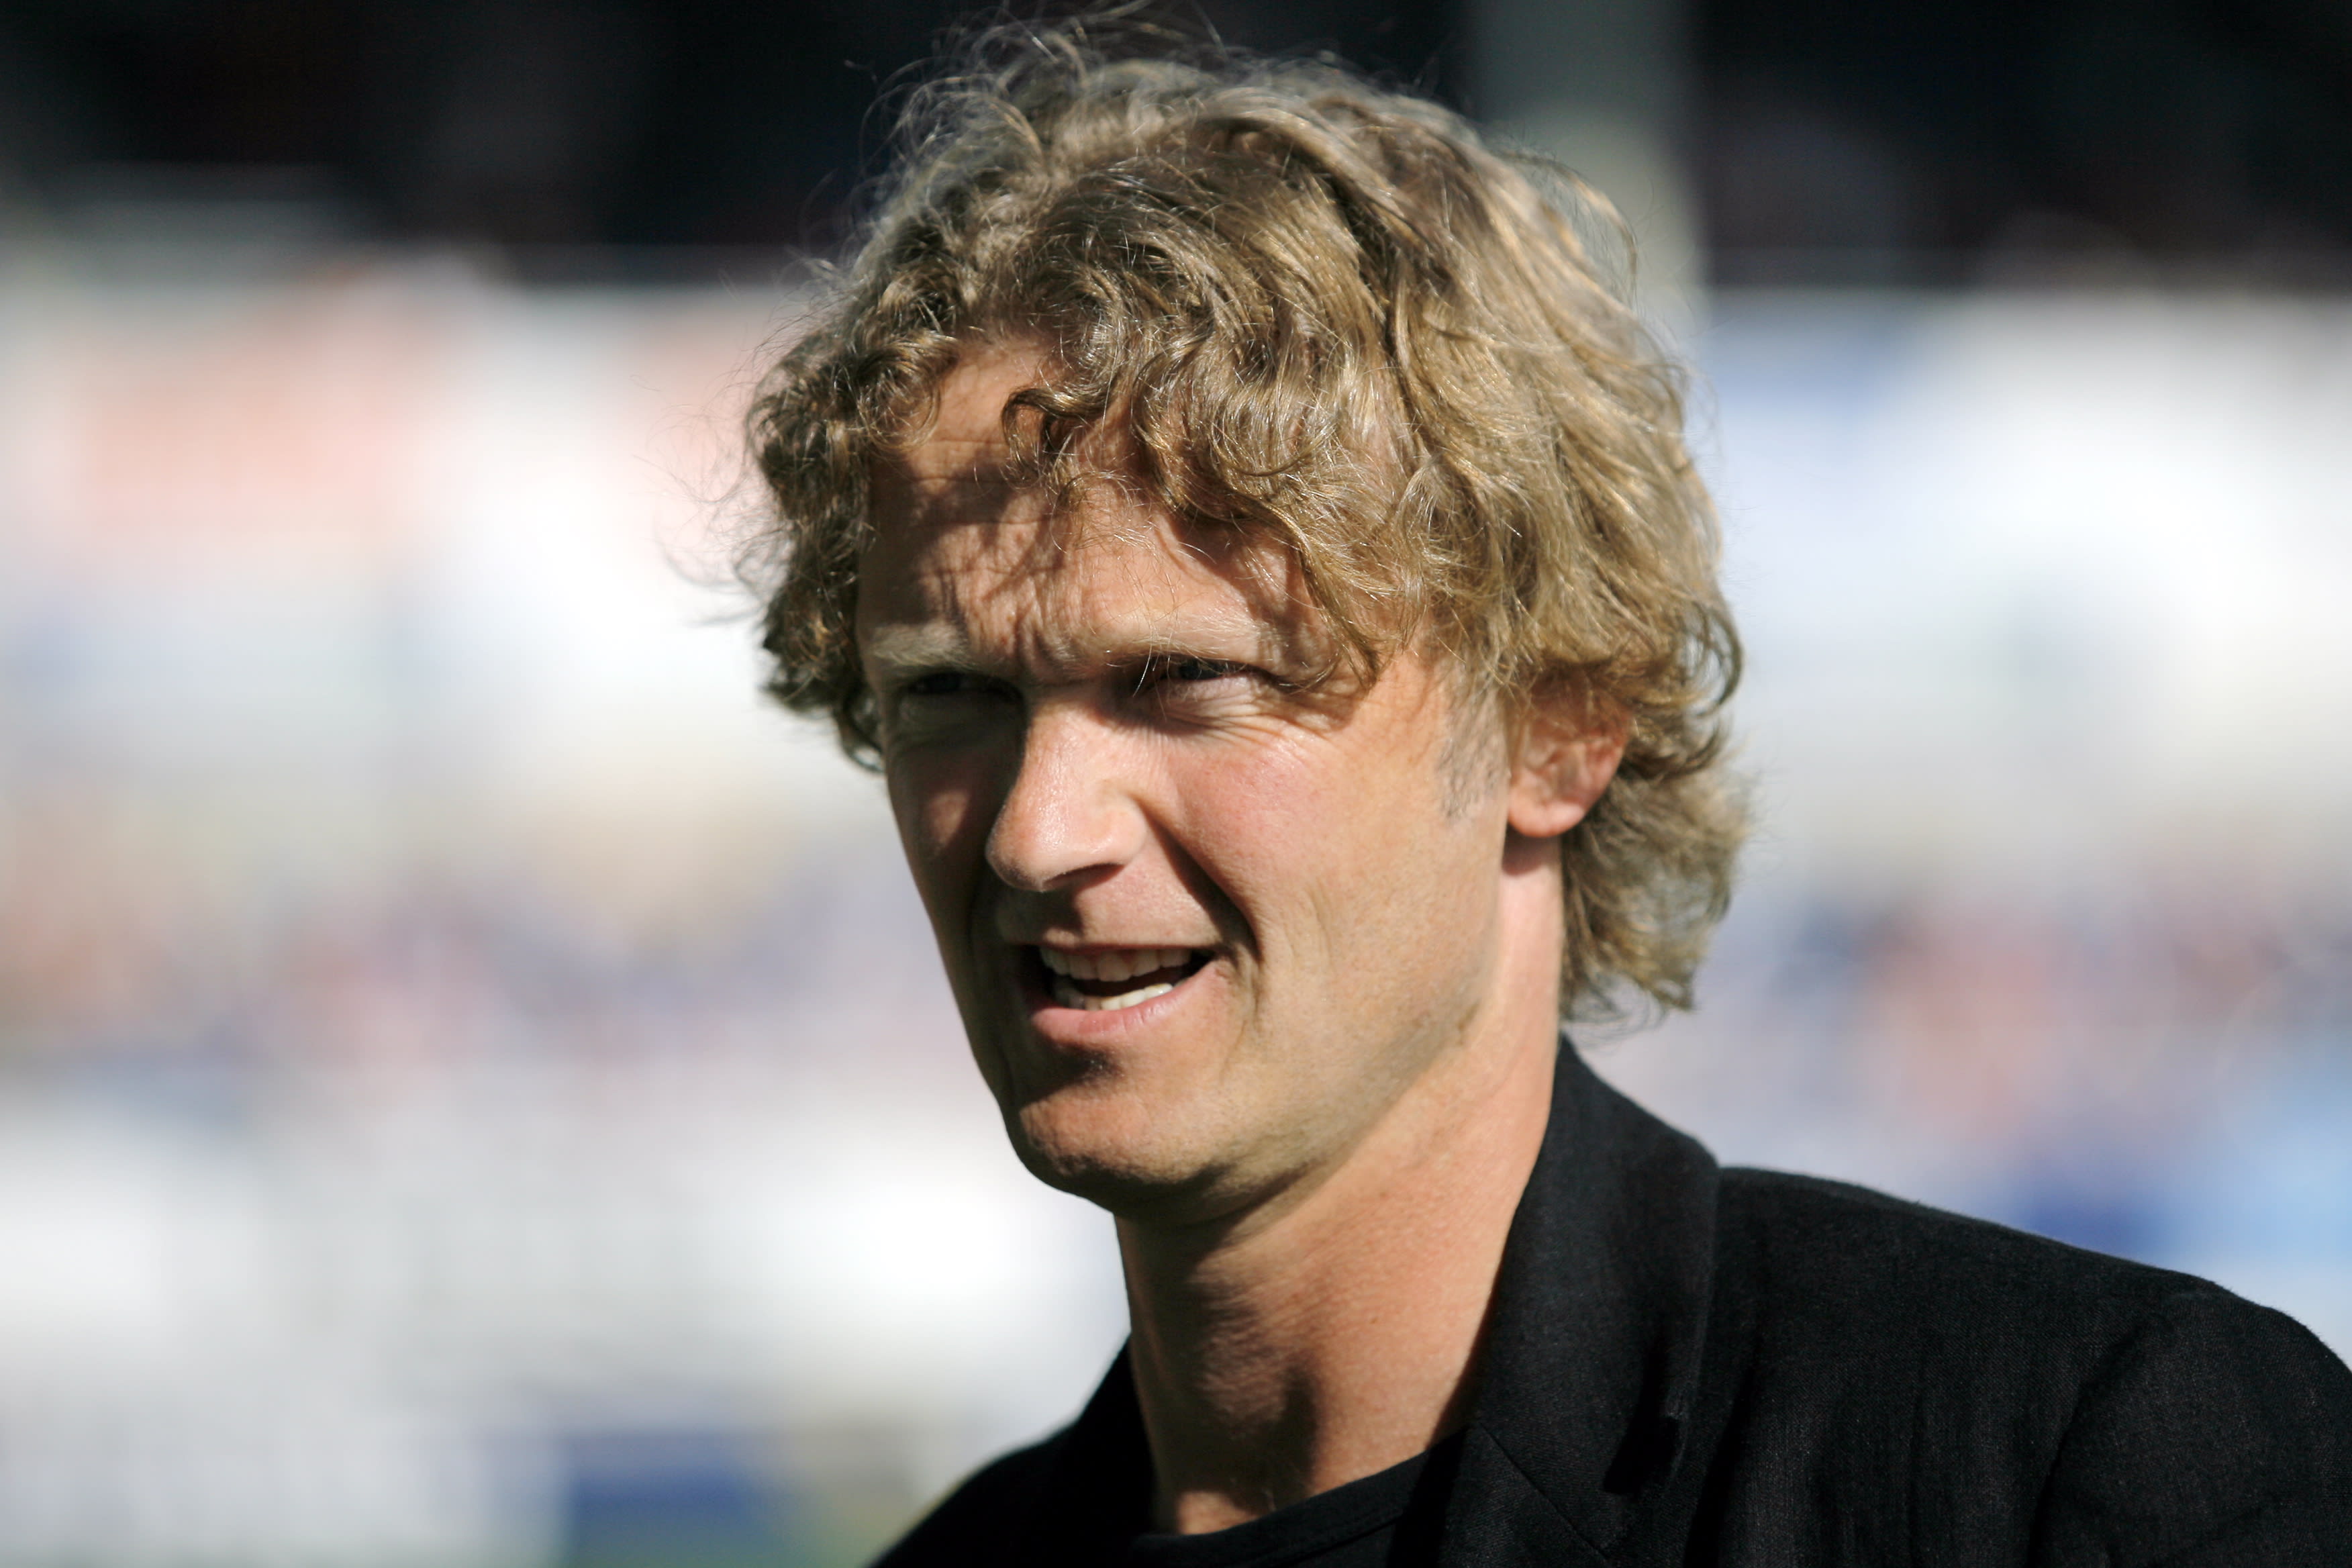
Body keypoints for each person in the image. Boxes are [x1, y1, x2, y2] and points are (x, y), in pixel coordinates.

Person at [738, 19, 2352, 1566]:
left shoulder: (2073, 1470)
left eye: (1186, 681)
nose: (1038, 830)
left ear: (1560, 726)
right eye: (950, 696)